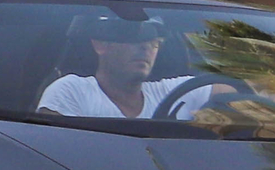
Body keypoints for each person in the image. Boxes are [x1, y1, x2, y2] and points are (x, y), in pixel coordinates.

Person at [37, 16, 218, 119]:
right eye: (134, 38)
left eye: (154, 43)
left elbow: (241, 89)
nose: (145, 48)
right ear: (101, 45)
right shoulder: (71, 91)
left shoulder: (173, 92)